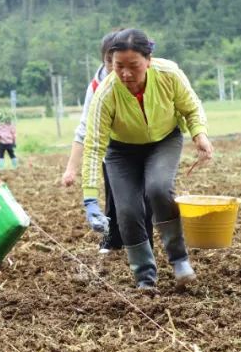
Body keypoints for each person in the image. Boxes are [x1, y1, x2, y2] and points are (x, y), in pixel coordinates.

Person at [81, 28, 213, 290]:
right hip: (121, 152)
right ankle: (145, 277)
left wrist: (199, 134)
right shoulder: (106, 92)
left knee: (158, 188)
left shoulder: (169, 74)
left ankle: (179, 260)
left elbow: (191, 106)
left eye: (134, 66)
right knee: (127, 210)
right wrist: (89, 198)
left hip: (163, 141)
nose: (126, 73)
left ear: (148, 60)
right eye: (118, 66)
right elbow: (94, 145)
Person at [62, 31, 153, 254]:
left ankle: (144, 245)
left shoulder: (147, 76)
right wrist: (71, 168)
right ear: (106, 60)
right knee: (116, 197)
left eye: (125, 62)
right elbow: (85, 128)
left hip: (144, 146)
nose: (120, 70)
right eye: (112, 62)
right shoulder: (97, 88)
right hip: (112, 151)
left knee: (146, 196)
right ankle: (112, 240)